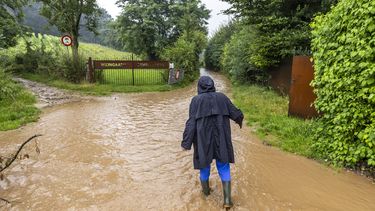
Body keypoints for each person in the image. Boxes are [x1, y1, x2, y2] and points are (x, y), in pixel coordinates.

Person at [181, 76, 244, 209]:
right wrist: (239, 118)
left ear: (199, 87)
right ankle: (227, 200)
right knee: (223, 166)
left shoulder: (195, 101)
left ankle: (206, 194)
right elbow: (235, 113)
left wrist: (186, 143)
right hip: (221, 138)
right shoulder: (222, 97)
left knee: (204, 165)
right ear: (212, 85)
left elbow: (191, 123)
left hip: (203, 140)